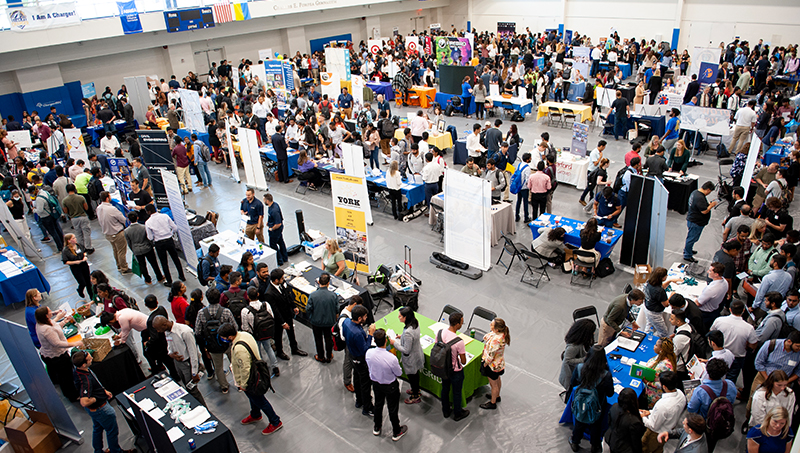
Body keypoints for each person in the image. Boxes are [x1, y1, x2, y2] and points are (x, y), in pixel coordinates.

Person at [220, 323, 284, 436]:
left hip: (251, 379)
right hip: (256, 371)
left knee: (260, 400)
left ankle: (275, 421)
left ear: (229, 337)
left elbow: (245, 368)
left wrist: (243, 384)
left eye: (223, 337)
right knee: (253, 398)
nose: (223, 339)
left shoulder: (239, 348)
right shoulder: (244, 335)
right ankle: (255, 414)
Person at [73, 351, 135, 453]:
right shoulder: (85, 381)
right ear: (83, 364)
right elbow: (84, 402)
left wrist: (103, 391)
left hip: (93, 410)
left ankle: (98, 450)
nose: (92, 358)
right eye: (89, 359)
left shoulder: (78, 371)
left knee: (97, 428)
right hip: (101, 409)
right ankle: (116, 451)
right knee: (112, 431)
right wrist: (96, 398)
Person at [152, 316, 207, 406]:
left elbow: (193, 353)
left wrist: (194, 372)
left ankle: (204, 409)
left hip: (187, 363)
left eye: (158, 329)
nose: (158, 331)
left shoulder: (185, 331)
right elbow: (169, 346)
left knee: (192, 390)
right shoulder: (167, 332)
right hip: (178, 363)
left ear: (164, 324)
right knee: (186, 387)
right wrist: (171, 354)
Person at [365, 328, 408, 441]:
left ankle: (377, 427)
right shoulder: (391, 358)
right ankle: (396, 431)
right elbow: (398, 373)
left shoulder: (369, 353)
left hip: (376, 384)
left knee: (378, 405)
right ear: (386, 341)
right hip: (390, 386)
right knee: (392, 408)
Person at [569, 345, 614, 452]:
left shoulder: (580, 368)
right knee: (596, 424)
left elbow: (573, 383)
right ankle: (595, 446)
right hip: (598, 403)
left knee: (579, 421)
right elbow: (610, 394)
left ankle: (575, 442)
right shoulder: (606, 375)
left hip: (581, 400)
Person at [687, 358, 737, 451]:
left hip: (705, 424)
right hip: (723, 421)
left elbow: (691, 409)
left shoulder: (700, 391)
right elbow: (732, 401)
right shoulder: (730, 385)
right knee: (711, 444)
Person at [194, 288, 236, 394]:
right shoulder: (226, 312)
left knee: (218, 368)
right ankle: (239, 382)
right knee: (234, 363)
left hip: (212, 346)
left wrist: (205, 346)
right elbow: (235, 327)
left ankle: (224, 386)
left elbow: (198, 332)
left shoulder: (201, 313)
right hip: (227, 344)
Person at [35, 306, 81, 401]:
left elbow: (55, 327)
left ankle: (64, 387)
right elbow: (57, 343)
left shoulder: (41, 324)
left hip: (48, 354)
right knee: (66, 377)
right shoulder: (46, 330)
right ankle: (72, 395)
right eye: (49, 311)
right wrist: (75, 343)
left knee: (60, 375)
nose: (52, 312)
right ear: (46, 316)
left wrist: (64, 322)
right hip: (57, 357)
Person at [240, 286, 285, 378]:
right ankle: (275, 367)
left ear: (248, 297)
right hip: (267, 333)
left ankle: (262, 368)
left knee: (257, 351)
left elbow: (245, 327)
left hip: (255, 335)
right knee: (268, 348)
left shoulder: (245, 311)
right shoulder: (266, 305)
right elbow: (272, 317)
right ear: (258, 294)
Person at [262, 268, 307, 359]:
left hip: (287, 314)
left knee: (291, 332)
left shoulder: (282, 284)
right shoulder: (269, 293)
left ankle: (294, 348)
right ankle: (279, 352)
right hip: (278, 319)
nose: (283, 279)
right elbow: (275, 310)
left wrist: (294, 306)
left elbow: (288, 296)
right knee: (278, 336)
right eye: (282, 278)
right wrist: (283, 323)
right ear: (276, 280)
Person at [641, 371, 687, 453]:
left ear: (664, 387)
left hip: (655, 433)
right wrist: (650, 412)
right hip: (669, 428)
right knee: (659, 449)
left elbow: (653, 426)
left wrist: (643, 416)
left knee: (646, 448)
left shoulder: (662, 405)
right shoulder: (681, 394)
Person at [343, 305, 375, 416]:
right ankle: (367, 407)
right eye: (365, 316)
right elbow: (365, 349)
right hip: (360, 359)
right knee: (365, 384)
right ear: (360, 318)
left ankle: (359, 400)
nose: (367, 318)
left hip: (352, 355)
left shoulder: (346, 322)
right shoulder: (357, 333)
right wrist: (370, 335)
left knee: (356, 378)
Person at [389, 306, 424, 404]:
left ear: (406, 317)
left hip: (411, 359)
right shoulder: (415, 323)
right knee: (415, 376)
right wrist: (402, 336)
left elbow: (406, 350)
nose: (399, 318)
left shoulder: (408, 332)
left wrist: (394, 343)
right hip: (417, 353)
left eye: (400, 316)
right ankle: (416, 390)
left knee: (413, 378)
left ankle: (415, 396)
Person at [439, 312, 470, 421]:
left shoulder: (440, 333)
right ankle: (458, 413)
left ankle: (445, 410)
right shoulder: (459, 342)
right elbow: (463, 361)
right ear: (457, 324)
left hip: (443, 368)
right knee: (457, 392)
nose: (462, 325)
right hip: (455, 371)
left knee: (445, 389)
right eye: (462, 322)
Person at [144, 204, 185, 286]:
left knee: (164, 263)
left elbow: (150, 237)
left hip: (159, 243)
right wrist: (170, 233)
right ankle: (182, 276)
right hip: (169, 240)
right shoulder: (165, 216)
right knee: (175, 258)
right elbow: (175, 228)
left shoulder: (148, 222)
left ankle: (169, 281)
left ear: (148, 212)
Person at [141, 295, 177, 379]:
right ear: (157, 302)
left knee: (167, 360)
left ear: (146, 305)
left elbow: (155, 337)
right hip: (167, 337)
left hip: (160, 345)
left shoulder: (151, 320)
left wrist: (148, 343)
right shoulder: (162, 309)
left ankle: (175, 376)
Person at [306, 272, 339, 363]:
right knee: (328, 338)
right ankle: (329, 356)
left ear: (318, 282)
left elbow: (308, 309)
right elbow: (337, 309)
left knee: (318, 339)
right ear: (328, 283)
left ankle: (320, 356)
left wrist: (312, 317)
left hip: (316, 322)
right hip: (329, 322)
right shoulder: (333, 295)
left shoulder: (313, 295)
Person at [96, 191, 130, 274]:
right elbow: (123, 219)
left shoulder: (99, 208)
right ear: (107, 198)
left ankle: (118, 265)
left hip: (108, 234)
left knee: (115, 250)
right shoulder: (112, 209)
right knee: (121, 251)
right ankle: (124, 268)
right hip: (117, 233)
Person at [479, 318, 510, 410]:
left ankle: (492, 403)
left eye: (492, 325)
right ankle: (497, 396)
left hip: (492, 365)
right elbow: (486, 337)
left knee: (493, 385)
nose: (490, 325)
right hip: (498, 363)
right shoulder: (501, 334)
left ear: (497, 329)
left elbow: (491, 354)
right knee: (497, 379)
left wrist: (485, 363)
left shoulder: (496, 340)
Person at [684, 181, 718, 263]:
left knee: (692, 238)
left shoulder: (695, 193)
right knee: (692, 238)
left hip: (694, 219)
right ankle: (687, 255)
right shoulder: (699, 198)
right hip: (696, 222)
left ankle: (688, 250)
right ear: (708, 190)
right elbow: (704, 211)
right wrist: (711, 206)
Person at [559, 319, 596, 393]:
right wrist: (585, 359)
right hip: (571, 375)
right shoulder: (573, 347)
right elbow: (567, 360)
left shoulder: (584, 341)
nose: (594, 333)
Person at [604, 387, 645, 453]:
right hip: (623, 448)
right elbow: (635, 441)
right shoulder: (634, 421)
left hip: (611, 440)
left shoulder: (614, 407)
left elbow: (609, 422)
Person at [644, 267, 680, 338]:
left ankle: (645, 338)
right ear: (662, 277)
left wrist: (670, 281)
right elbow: (666, 304)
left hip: (648, 307)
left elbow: (661, 286)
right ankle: (653, 340)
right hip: (654, 313)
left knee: (649, 326)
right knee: (663, 332)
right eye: (666, 276)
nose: (667, 276)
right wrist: (672, 295)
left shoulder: (649, 282)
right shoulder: (660, 291)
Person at [62, 184, 93, 253]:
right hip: (83, 216)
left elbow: (66, 211)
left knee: (78, 234)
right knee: (86, 233)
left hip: (74, 218)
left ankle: (82, 248)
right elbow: (86, 208)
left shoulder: (65, 201)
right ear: (75, 189)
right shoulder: (81, 198)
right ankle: (89, 248)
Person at [62, 233, 93, 300]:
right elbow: (65, 261)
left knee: (88, 282)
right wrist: (75, 262)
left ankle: (91, 296)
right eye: (73, 238)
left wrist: (84, 256)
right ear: (69, 241)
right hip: (76, 268)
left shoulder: (78, 245)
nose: (75, 239)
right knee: (82, 282)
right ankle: (80, 290)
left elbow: (84, 251)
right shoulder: (66, 250)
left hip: (84, 265)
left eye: (75, 237)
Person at [263, 193, 288, 266]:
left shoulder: (274, 210)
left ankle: (280, 260)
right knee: (281, 242)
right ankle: (285, 257)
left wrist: (272, 228)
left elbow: (278, 223)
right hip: (275, 228)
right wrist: (269, 222)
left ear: (267, 201)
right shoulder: (272, 206)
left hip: (275, 230)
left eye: (264, 200)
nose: (263, 201)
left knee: (273, 245)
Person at [514, 153, 532, 222]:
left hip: (518, 186)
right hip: (524, 187)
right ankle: (526, 217)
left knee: (518, 201)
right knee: (525, 202)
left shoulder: (519, 164)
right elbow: (527, 179)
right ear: (527, 160)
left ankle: (517, 215)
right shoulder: (527, 168)